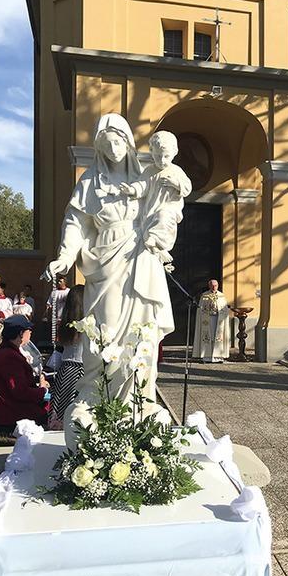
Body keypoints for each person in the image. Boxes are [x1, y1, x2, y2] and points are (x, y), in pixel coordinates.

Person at [41, 113, 184, 423]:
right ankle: (96, 395)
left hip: (140, 257)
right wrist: (65, 257)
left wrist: (163, 227)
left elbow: (169, 204)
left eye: (117, 142)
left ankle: (142, 397)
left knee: (142, 330)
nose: (113, 149)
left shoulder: (145, 176)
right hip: (104, 259)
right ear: (99, 147)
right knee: (103, 331)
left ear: (128, 142)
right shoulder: (90, 180)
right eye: (105, 145)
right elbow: (75, 221)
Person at [120, 130, 192, 266]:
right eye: (158, 156)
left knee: (163, 217)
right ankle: (157, 248)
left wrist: (175, 183)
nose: (162, 160)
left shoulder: (176, 170)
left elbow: (187, 188)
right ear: (152, 152)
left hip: (170, 207)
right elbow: (142, 185)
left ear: (174, 153)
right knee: (153, 222)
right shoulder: (149, 170)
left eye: (166, 156)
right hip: (151, 208)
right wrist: (132, 189)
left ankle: (158, 243)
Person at [0, 315, 49, 430]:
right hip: (9, 408)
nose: (30, 332)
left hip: (8, 402)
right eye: (28, 330)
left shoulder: (3, 351)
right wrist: (42, 390)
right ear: (20, 333)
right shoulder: (9, 357)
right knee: (55, 408)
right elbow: (19, 391)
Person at [49, 284, 85, 429]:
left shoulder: (66, 321)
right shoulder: (85, 323)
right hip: (81, 368)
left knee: (63, 408)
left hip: (66, 370)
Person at [193, 279, 231, 363]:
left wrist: (221, 311)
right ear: (209, 286)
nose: (214, 287)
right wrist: (206, 310)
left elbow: (225, 308)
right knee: (208, 336)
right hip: (208, 319)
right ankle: (207, 357)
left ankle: (218, 357)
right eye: (212, 285)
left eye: (215, 285)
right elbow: (200, 309)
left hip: (218, 319)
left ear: (218, 286)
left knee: (217, 336)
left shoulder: (221, 296)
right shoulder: (205, 296)